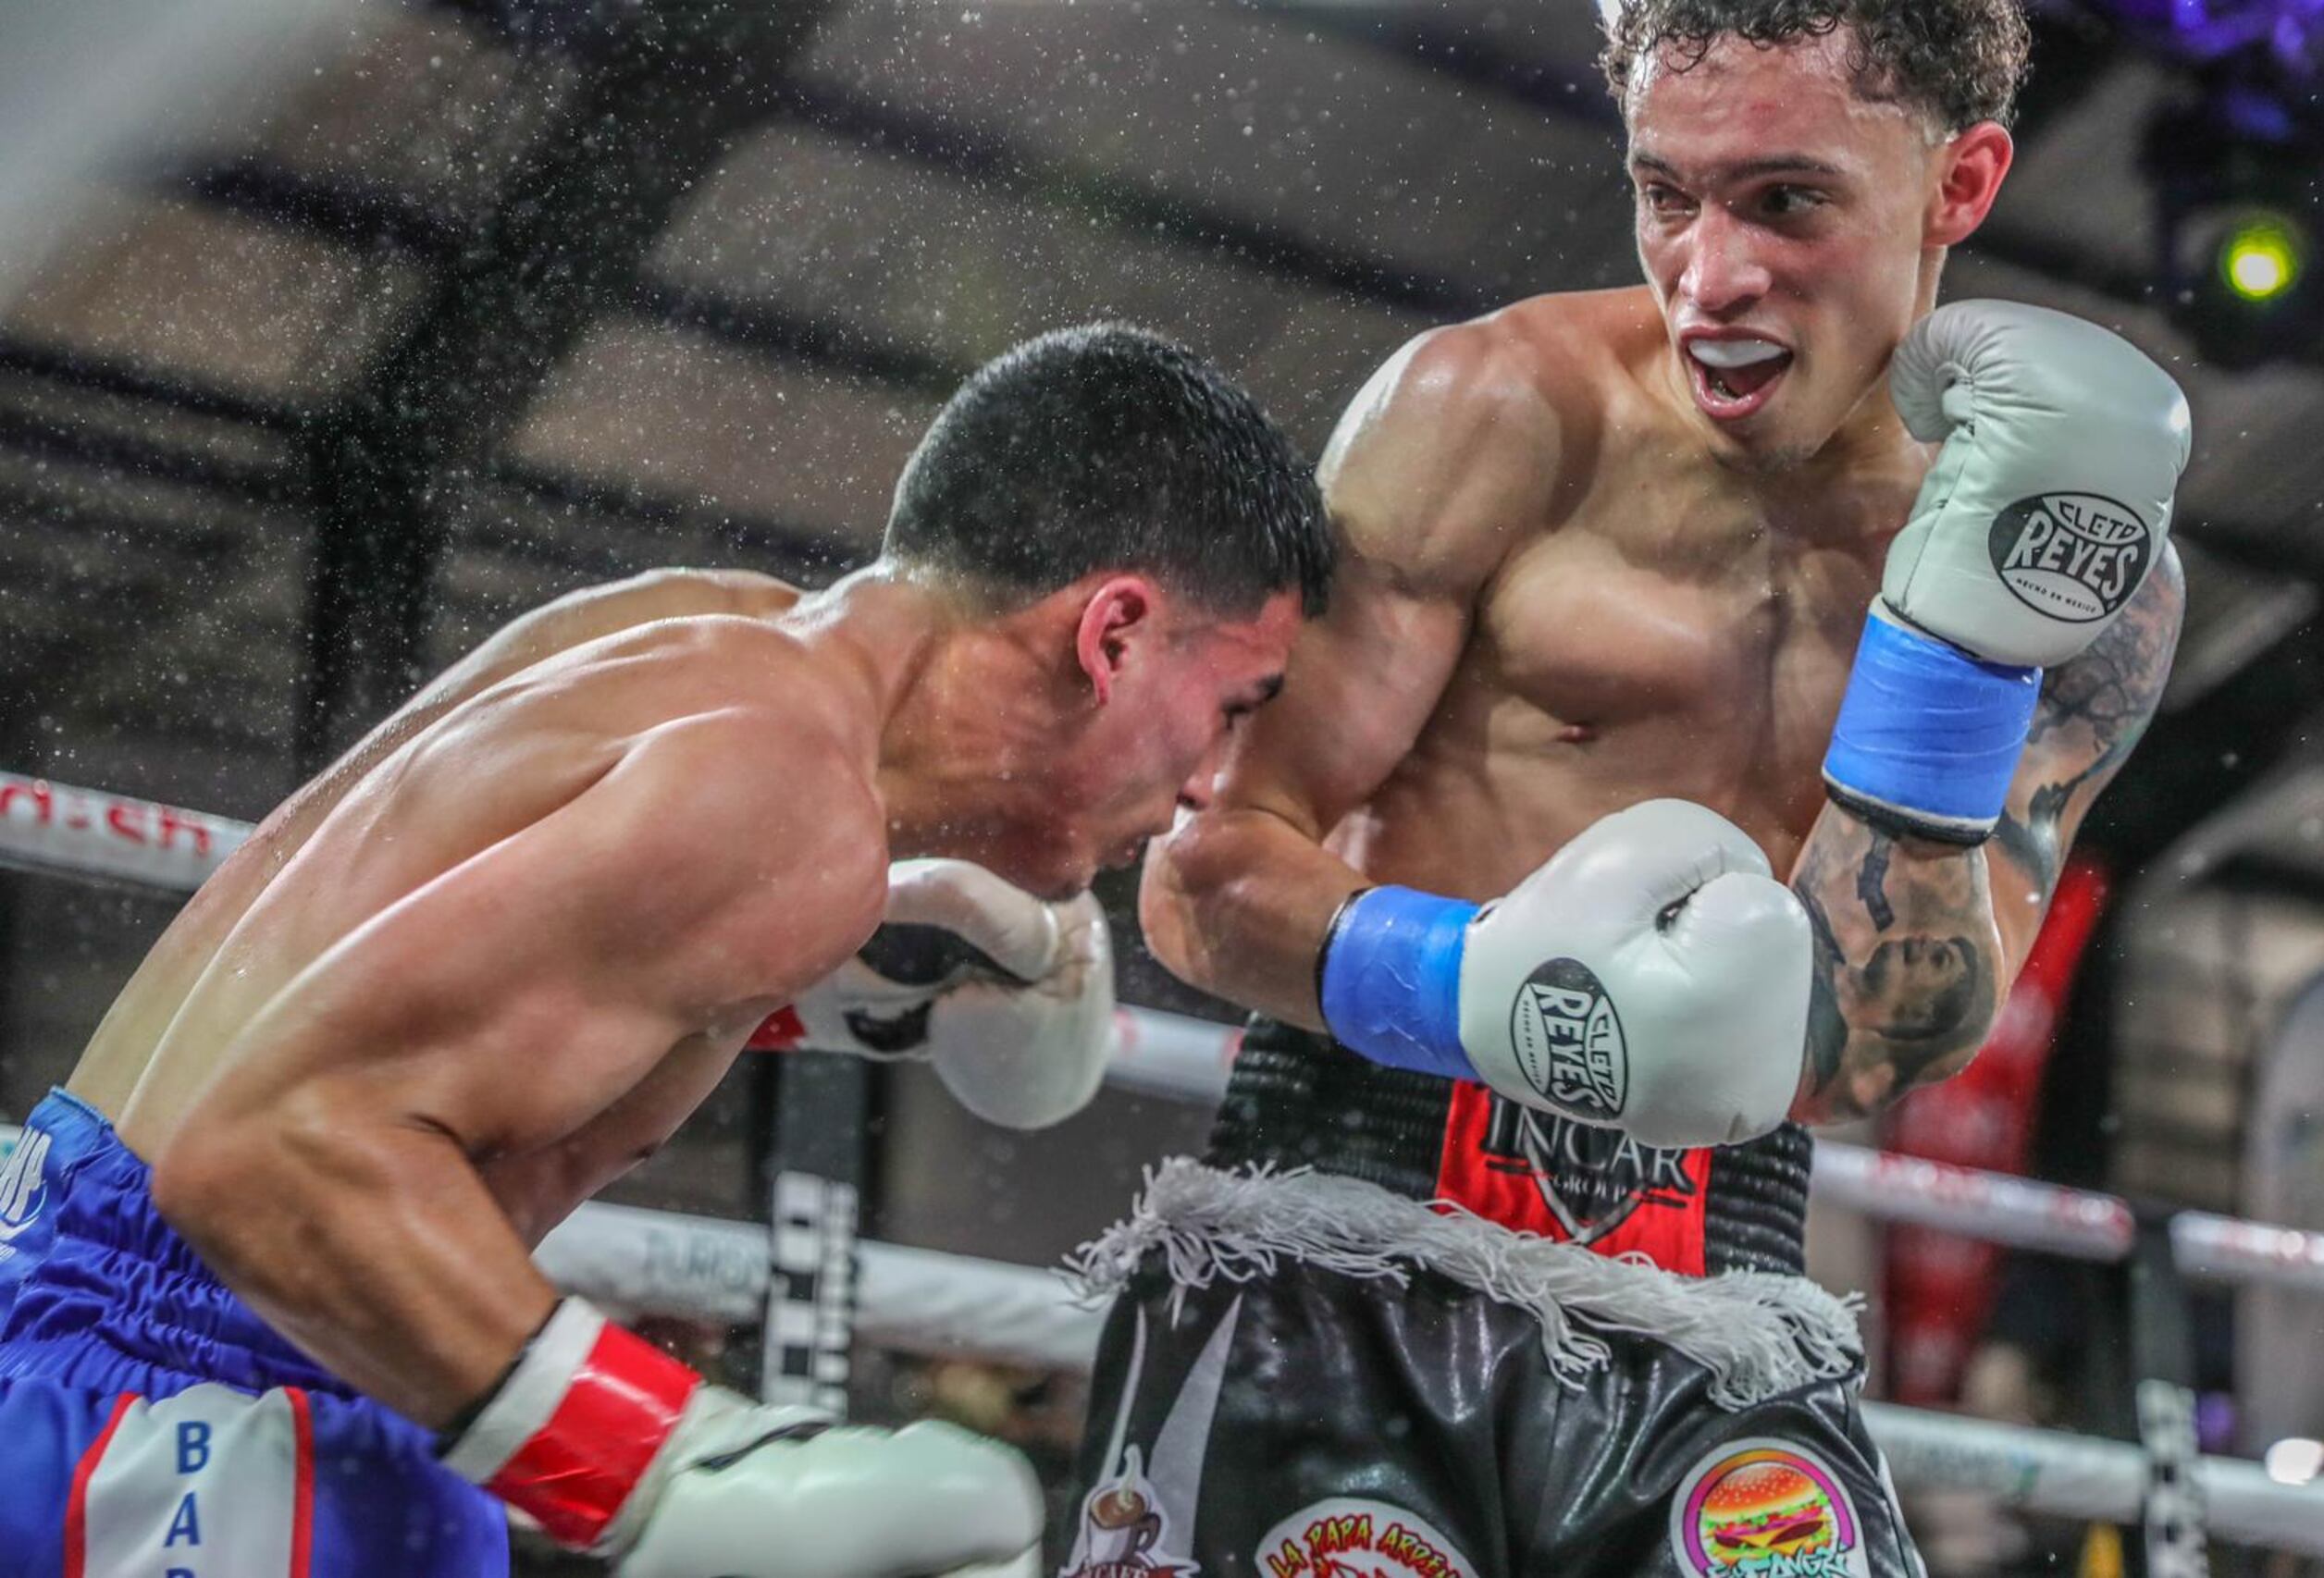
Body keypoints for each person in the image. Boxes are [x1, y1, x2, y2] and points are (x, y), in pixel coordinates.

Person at [1064, 5, 2192, 1574]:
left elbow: (1889, 1035)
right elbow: (1203, 878)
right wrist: (1475, 987)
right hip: (1354, 1223)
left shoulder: (2075, 568)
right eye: (1670, 194)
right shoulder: (1496, 412)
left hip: (1722, 1284)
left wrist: (1952, 655)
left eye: (1786, 201)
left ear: (1963, 181)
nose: (1711, 278)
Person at [0, 325, 1333, 1577]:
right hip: (195, 1405)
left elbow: (509, 1001)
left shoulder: (695, 642)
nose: (1212, 782)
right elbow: (268, 1157)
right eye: (1229, 707)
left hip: (97, 1330)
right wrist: (671, 1469)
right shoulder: (784, 798)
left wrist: (917, 984)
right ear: (1112, 633)